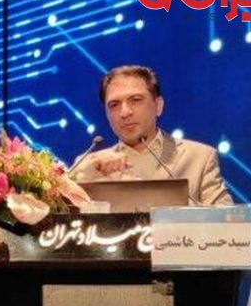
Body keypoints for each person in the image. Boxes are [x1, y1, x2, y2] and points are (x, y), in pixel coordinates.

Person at [69, 65, 234, 206]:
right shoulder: (90, 166)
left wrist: (156, 199)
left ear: (158, 105)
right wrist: (85, 173)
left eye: (136, 100)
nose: (124, 112)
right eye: (114, 105)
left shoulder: (199, 157)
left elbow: (227, 222)